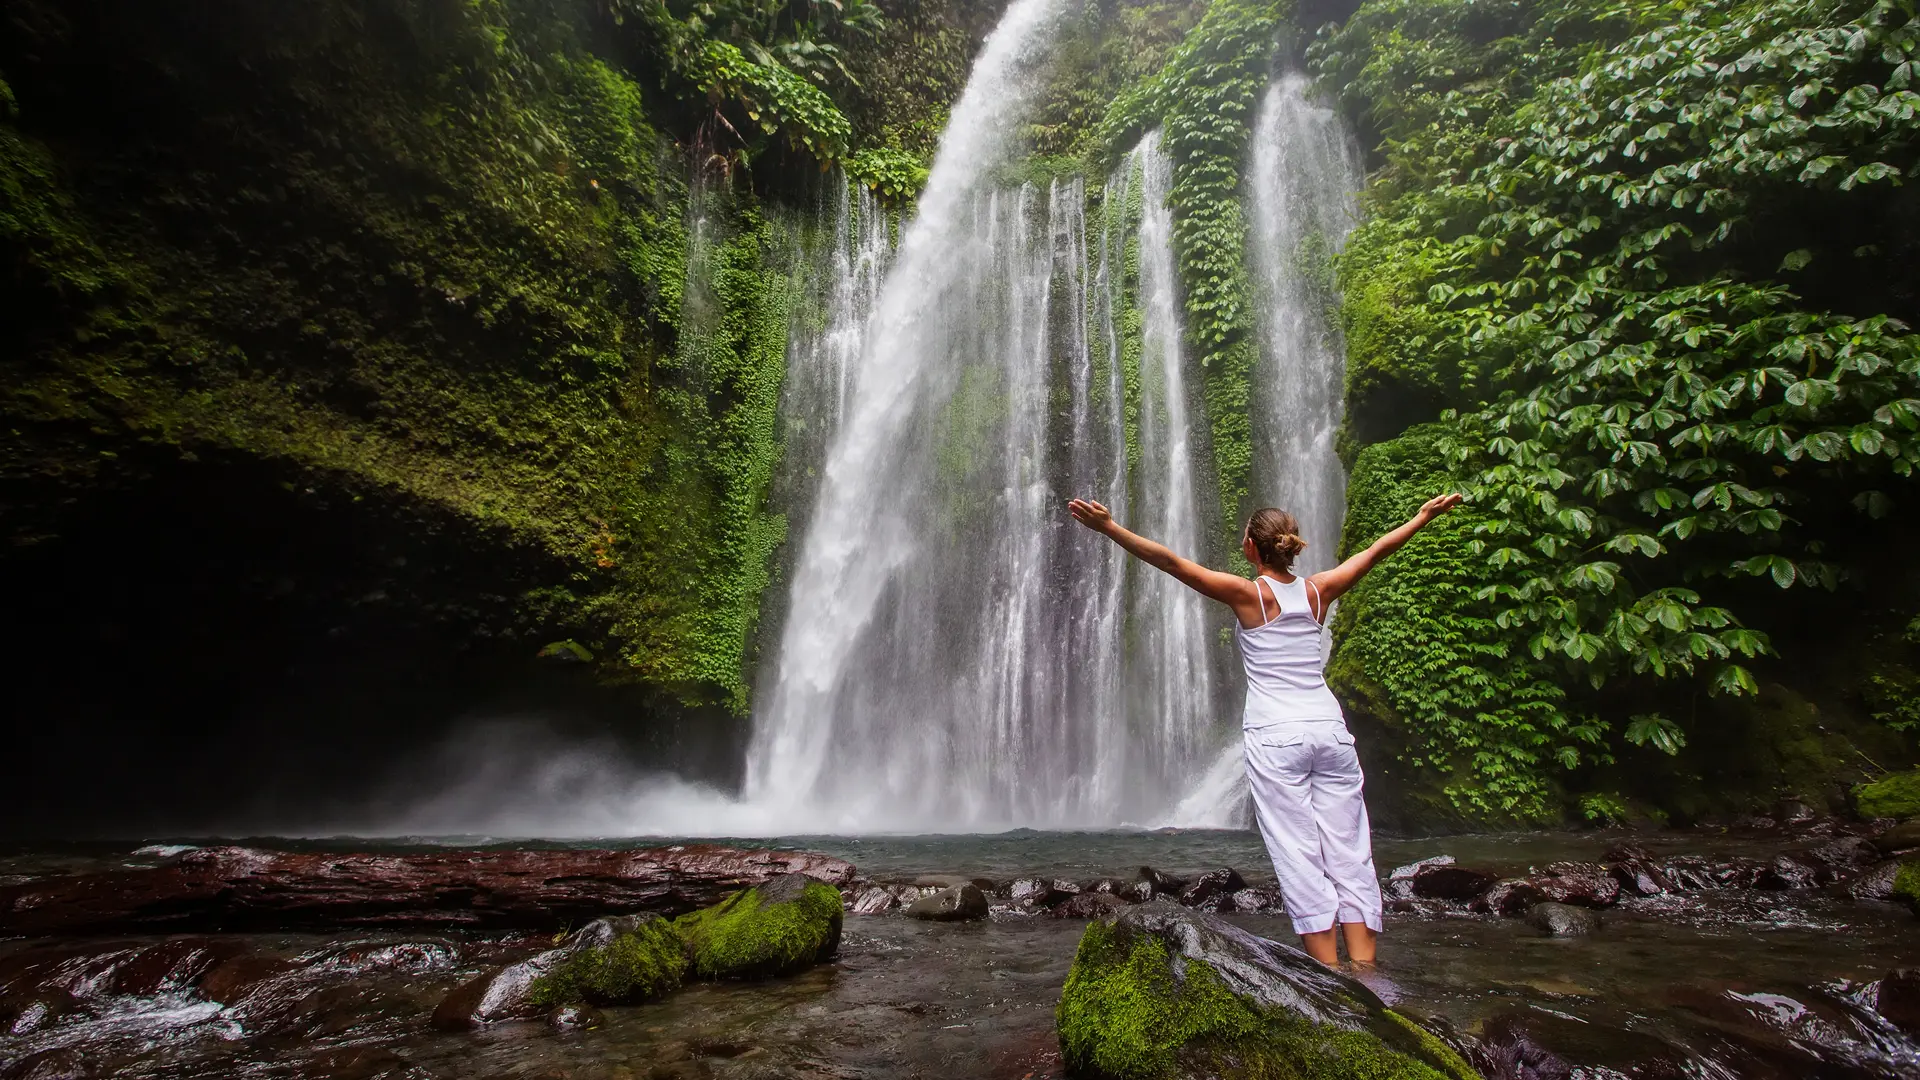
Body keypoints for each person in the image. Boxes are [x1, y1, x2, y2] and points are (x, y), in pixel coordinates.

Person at [1066, 492, 1462, 967]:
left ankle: (1328, 974)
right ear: (1289, 545)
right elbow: (1376, 551)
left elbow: (1171, 563)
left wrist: (1110, 528)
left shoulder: (1249, 595)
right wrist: (1421, 517)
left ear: (1252, 547)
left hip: (1277, 736)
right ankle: (1365, 968)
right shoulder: (1318, 591)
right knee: (1350, 850)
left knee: (1298, 854)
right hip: (1330, 732)